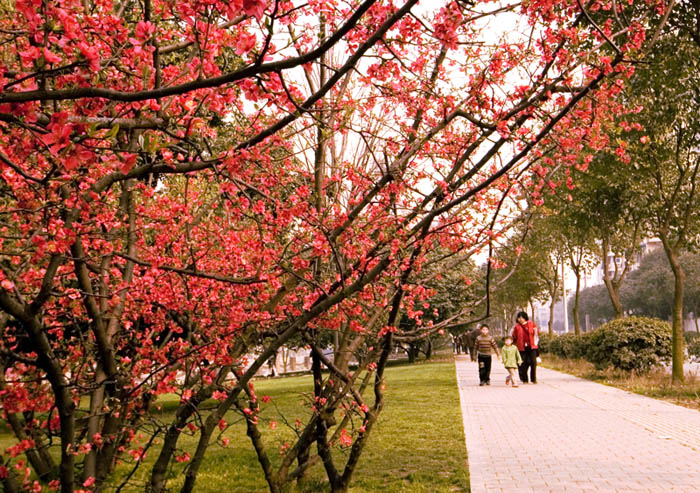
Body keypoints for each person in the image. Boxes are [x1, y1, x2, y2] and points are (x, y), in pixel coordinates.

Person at [512, 311, 539, 384]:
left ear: (525, 318)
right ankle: (524, 379)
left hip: (531, 346)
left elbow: (536, 334)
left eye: (522, 317)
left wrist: (536, 331)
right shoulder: (516, 327)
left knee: (533, 363)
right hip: (521, 348)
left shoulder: (531, 324)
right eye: (519, 318)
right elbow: (514, 337)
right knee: (523, 364)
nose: (520, 319)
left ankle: (533, 379)